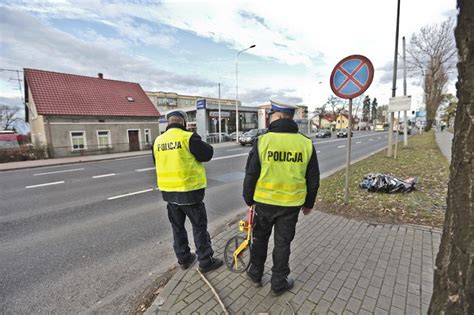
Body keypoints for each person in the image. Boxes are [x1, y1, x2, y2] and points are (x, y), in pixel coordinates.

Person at [243, 100, 320, 296]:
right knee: (283, 244)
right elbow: (313, 179)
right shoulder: (305, 143)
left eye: (271, 115)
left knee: (259, 239)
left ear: (277, 116)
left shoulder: (262, 141)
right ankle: (278, 282)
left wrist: (248, 199)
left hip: (264, 203)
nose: (269, 118)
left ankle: (255, 273)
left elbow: (251, 173)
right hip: (290, 205)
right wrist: (309, 204)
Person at [153, 110, 223, 273]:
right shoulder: (188, 137)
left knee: (177, 227)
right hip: (190, 192)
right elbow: (208, 154)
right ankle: (205, 261)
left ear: (168, 123)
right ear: (183, 122)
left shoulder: (158, 141)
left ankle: (183, 259)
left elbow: (157, 161)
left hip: (169, 193)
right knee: (199, 227)